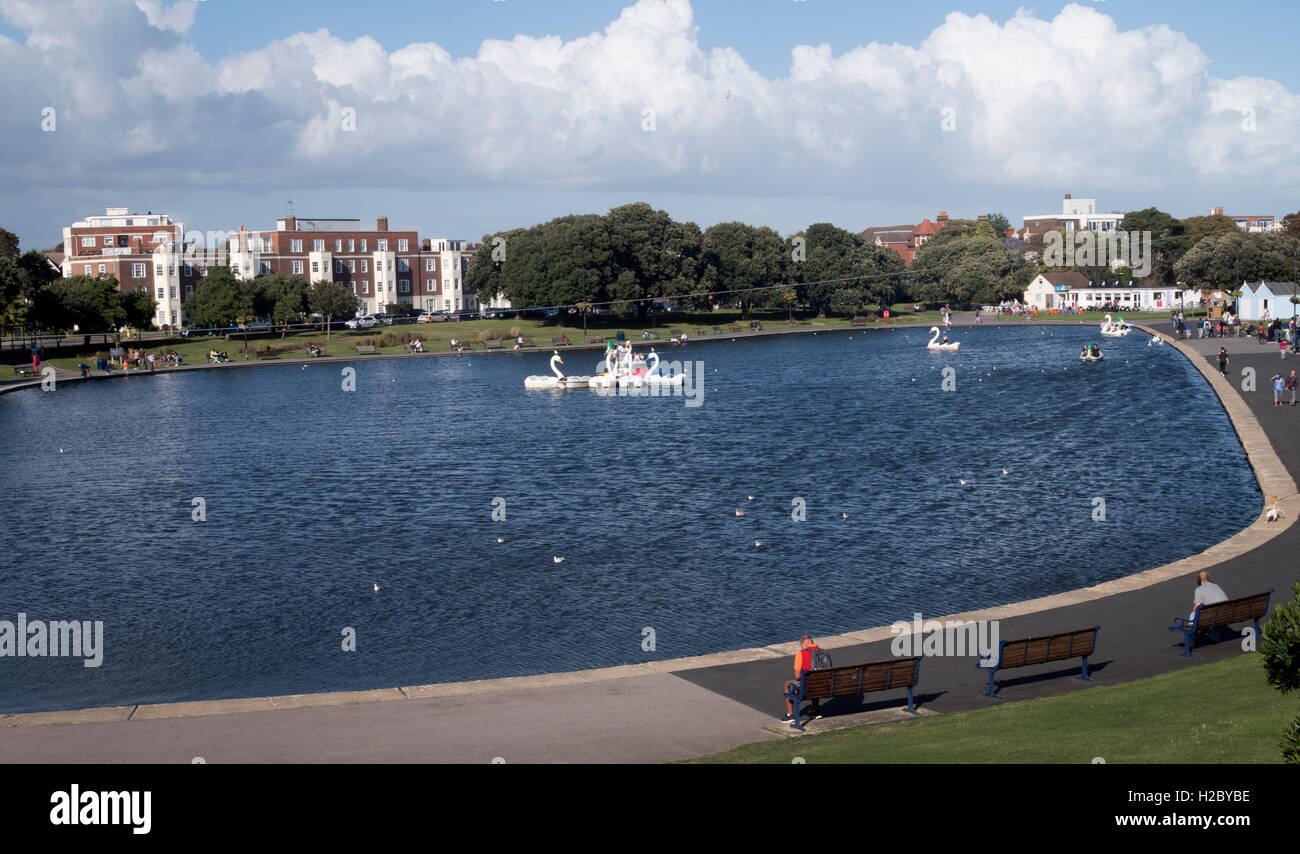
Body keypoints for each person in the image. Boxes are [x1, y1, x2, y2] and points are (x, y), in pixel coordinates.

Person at [781, 635, 825, 724]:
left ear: (803, 645)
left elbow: (797, 676)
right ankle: (816, 711)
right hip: (824, 685)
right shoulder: (824, 652)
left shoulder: (801, 653)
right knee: (815, 681)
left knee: (787, 684)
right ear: (812, 642)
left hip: (808, 687)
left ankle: (790, 715)